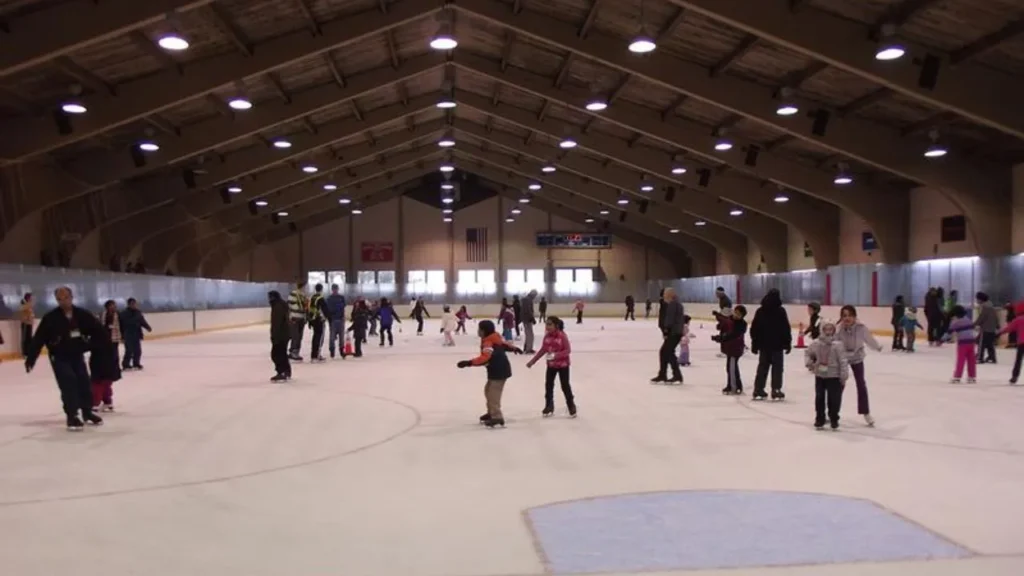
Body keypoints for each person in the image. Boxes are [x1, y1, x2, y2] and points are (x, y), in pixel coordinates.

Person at [24, 287, 105, 430]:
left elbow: (98, 331)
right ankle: (72, 415)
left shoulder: (82, 315)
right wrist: (31, 359)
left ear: (72, 297)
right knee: (68, 383)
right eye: (59, 299)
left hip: (77, 355)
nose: (63, 301)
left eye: (66, 297)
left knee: (84, 383)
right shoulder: (50, 318)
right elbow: (38, 339)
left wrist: (92, 346)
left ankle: (87, 412)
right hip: (59, 357)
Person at [457, 320, 522, 428]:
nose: (478, 331)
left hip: (499, 370)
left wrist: (469, 363)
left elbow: (485, 358)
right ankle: (491, 412)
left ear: (483, 331)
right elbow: (504, 344)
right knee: (488, 391)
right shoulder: (493, 338)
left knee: (493, 394)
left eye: (479, 329)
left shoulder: (488, 342)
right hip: (496, 370)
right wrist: (514, 348)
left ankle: (497, 416)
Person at [838, 305, 883, 426]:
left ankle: (866, 412)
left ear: (854, 316)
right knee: (839, 384)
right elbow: (832, 343)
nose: (847, 318)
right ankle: (833, 411)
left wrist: (877, 346)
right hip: (843, 358)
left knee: (861, 384)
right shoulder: (839, 329)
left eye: (849, 315)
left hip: (857, 357)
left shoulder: (861, 328)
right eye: (844, 316)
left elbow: (869, 339)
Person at [527, 315, 576, 418]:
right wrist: (533, 361)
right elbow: (543, 350)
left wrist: (555, 355)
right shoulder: (547, 337)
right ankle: (549, 405)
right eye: (546, 324)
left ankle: (571, 405)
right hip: (551, 365)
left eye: (550, 324)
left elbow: (568, 350)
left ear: (556, 325)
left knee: (565, 385)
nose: (547, 327)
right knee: (549, 385)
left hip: (563, 365)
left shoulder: (562, 336)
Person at [804, 321, 848, 431]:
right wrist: (809, 363)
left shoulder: (838, 345)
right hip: (820, 375)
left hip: (834, 376)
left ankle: (834, 418)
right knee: (819, 398)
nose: (828, 332)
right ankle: (820, 418)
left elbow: (843, 360)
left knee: (834, 399)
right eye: (826, 329)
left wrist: (844, 375)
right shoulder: (816, 343)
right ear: (822, 330)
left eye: (831, 329)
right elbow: (808, 353)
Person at [749, 288, 792, 401]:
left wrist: (755, 344)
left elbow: (754, 329)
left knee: (762, 368)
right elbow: (785, 329)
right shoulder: (781, 311)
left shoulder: (760, 311)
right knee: (777, 369)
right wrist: (787, 343)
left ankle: (758, 389)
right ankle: (776, 389)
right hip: (777, 346)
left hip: (764, 346)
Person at [90, 303, 122, 413]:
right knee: (105, 380)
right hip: (105, 356)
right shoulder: (101, 318)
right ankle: (107, 401)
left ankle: (96, 402)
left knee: (99, 381)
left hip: (103, 358)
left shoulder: (118, 316)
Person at [652, 287, 685, 384]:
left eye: (665, 294)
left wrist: (666, 331)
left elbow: (669, 319)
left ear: (669, 295)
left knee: (667, 352)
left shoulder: (673, 304)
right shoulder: (676, 303)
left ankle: (675, 375)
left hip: (674, 332)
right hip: (675, 332)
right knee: (665, 352)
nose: (663, 296)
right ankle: (664, 374)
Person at [714, 305, 748, 395]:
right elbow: (723, 325)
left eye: (738, 314)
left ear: (742, 316)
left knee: (731, 368)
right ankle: (734, 385)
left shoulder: (741, 324)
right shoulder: (730, 320)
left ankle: (734, 387)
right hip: (729, 347)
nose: (736, 315)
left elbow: (732, 335)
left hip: (736, 349)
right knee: (730, 367)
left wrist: (720, 338)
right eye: (735, 312)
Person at [947, 305, 978, 384]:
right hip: (972, 342)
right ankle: (972, 377)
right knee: (971, 360)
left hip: (963, 343)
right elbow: (973, 328)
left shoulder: (955, 322)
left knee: (961, 360)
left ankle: (957, 376)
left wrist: (941, 339)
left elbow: (949, 332)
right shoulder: (968, 319)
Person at [119, 297, 151, 370]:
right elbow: (125, 323)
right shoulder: (124, 313)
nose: (134, 305)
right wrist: (122, 335)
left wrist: (147, 327)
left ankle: (136, 363)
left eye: (135, 304)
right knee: (129, 350)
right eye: (132, 304)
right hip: (128, 334)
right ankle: (126, 364)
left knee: (138, 350)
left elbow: (142, 321)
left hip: (136, 333)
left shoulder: (138, 312)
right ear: (129, 304)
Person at [998, 301, 1024, 384]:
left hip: (1021, 343)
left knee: (1018, 360)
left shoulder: (1018, 319)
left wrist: (999, 333)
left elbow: (1009, 328)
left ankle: (1014, 377)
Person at [268, 291, 291, 382]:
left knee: (276, 354)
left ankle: (281, 372)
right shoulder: (281, 305)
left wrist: (274, 336)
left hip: (280, 335)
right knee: (282, 353)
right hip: (285, 334)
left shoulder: (277, 307)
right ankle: (286, 371)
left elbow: (277, 323)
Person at [974, 292, 999, 364]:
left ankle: (979, 358)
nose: (977, 300)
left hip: (985, 329)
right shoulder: (991, 306)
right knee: (990, 344)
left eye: (977, 299)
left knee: (981, 343)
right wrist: (997, 325)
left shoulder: (984, 307)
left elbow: (982, 317)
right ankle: (992, 357)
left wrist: (974, 324)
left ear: (981, 299)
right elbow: (996, 317)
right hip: (992, 329)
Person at [287, 280, 309, 361]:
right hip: (295, 318)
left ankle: (295, 352)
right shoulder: (294, 294)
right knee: (295, 336)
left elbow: (306, 308)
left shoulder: (304, 295)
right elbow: (291, 305)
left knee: (299, 336)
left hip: (301, 318)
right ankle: (293, 352)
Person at [307, 283, 328, 362]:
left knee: (315, 337)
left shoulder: (312, 297)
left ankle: (313, 355)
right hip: (319, 320)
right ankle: (316, 356)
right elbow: (325, 310)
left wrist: (309, 321)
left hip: (313, 320)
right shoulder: (320, 298)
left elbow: (309, 309)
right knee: (319, 338)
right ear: (322, 289)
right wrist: (330, 318)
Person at [325, 284, 347, 359]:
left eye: (336, 289)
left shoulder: (341, 298)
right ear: (332, 289)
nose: (335, 290)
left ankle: (341, 350)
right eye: (334, 289)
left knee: (341, 337)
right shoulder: (329, 299)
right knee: (332, 337)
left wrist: (343, 316)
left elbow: (343, 307)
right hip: (333, 320)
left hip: (340, 319)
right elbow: (328, 310)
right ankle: (332, 350)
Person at [19, 293, 34, 357]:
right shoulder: (23, 303)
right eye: (30, 298)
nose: (31, 299)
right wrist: (29, 303)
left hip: (29, 323)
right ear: (27, 298)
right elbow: (22, 309)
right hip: (25, 323)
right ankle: (24, 353)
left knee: (29, 338)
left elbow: (30, 313)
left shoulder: (29, 304)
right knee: (24, 339)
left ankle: (29, 352)